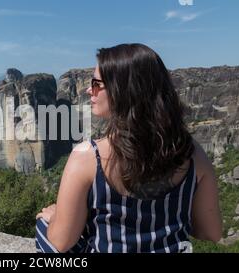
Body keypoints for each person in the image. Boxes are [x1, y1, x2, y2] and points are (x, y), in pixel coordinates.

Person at [35, 43, 222, 253]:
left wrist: (56, 218)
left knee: (44, 227)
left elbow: (61, 242)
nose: (89, 90)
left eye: (96, 83)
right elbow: (211, 232)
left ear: (121, 91)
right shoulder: (193, 153)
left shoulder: (88, 156)